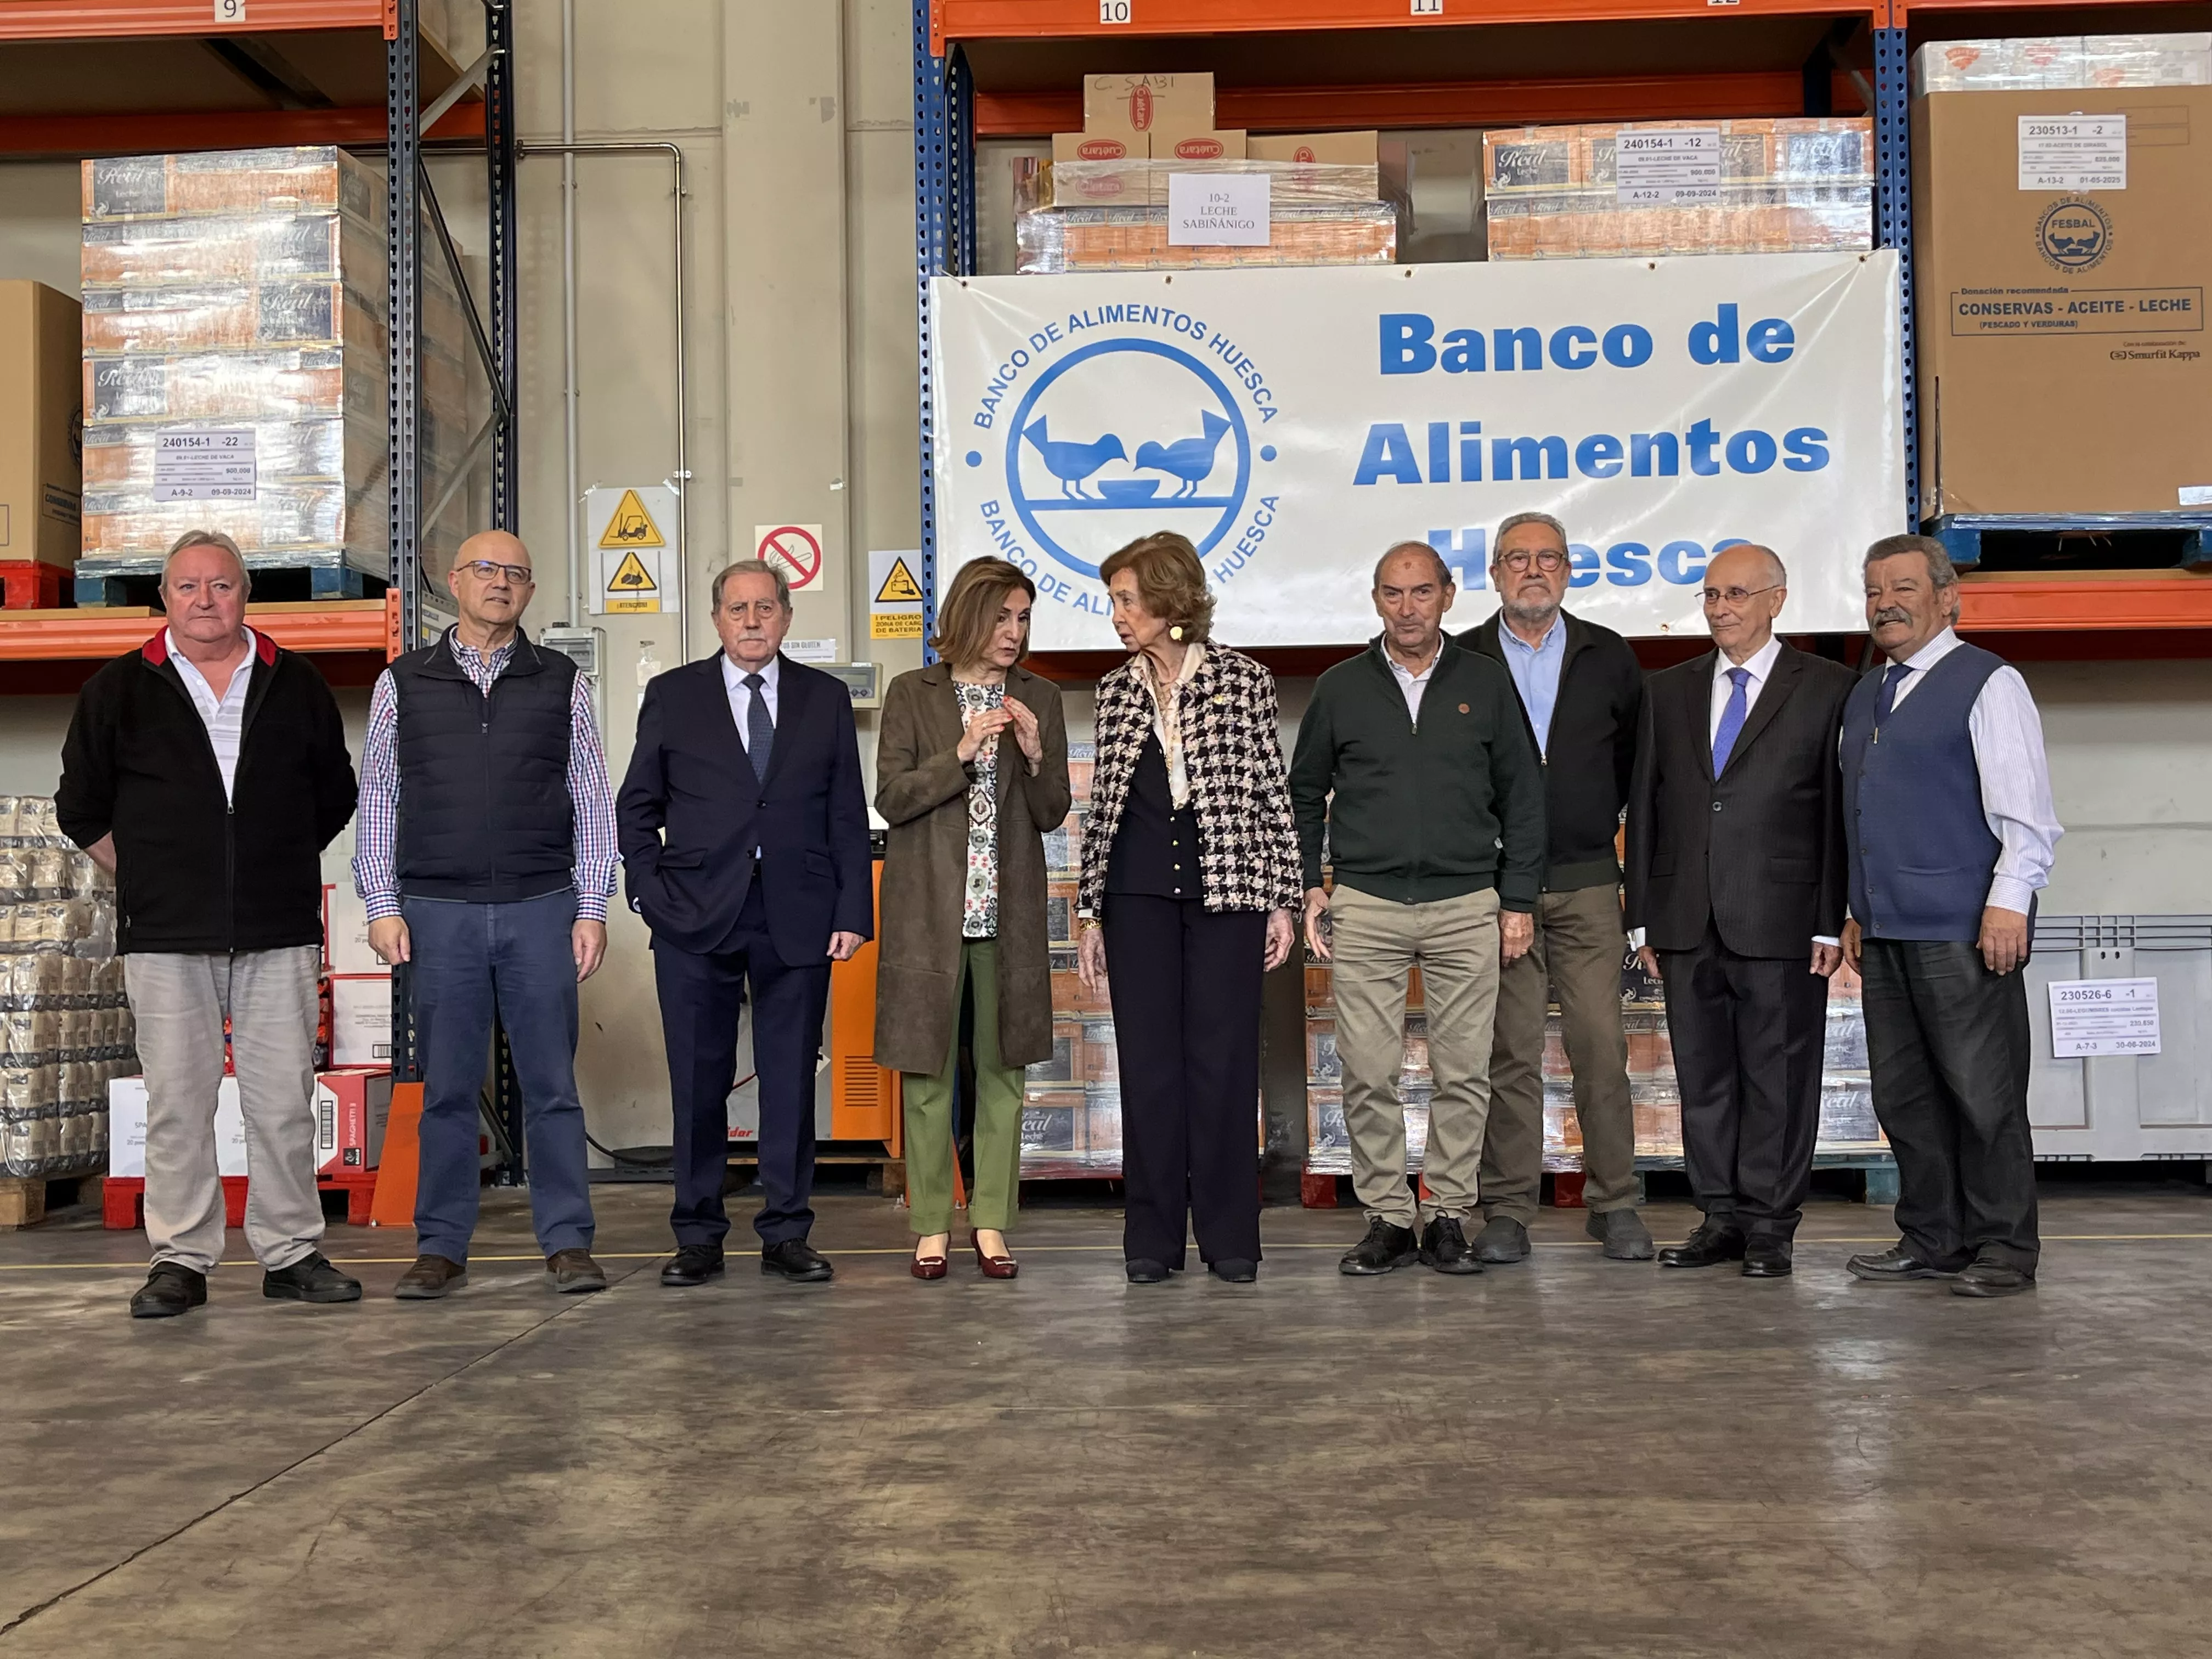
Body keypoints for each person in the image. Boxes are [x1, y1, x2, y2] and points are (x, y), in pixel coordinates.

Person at [57, 530, 359, 1318]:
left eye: (220, 586)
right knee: (179, 1102)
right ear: (164, 597)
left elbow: (335, 795)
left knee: (284, 1099)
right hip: (165, 936)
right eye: (187, 587)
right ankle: (181, 1259)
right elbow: (80, 808)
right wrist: (157, 877)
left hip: (277, 928)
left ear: (244, 594)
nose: (204, 601)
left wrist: (267, 863)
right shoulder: (117, 690)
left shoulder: (295, 684)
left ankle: (292, 1250)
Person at [354, 531, 617, 1300]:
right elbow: (380, 797)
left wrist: (591, 906)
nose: (501, 583)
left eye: (517, 575)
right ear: (457, 582)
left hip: (542, 908)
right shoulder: (404, 683)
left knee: (552, 1087)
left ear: (530, 593)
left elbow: (592, 801)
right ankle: (441, 1246)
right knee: (446, 1087)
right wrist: (381, 903)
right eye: (487, 570)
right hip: (439, 911)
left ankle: (568, 1242)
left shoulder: (561, 680)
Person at [1290, 541, 1544, 1278]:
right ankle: (1386, 1219)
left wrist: (1518, 900)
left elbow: (1524, 799)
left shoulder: (1486, 684)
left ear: (1449, 596)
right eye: (1394, 594)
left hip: (1467, 903)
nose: (1408, 608)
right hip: (1366, 903)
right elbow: (1305, 792)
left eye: (1422, 593)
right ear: (1375, 600)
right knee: (1368, 1072)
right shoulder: (1341, 688)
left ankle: (1445, 1218)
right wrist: (1312, 883)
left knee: (1464, 1073)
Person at [620, 558, 872, 1286]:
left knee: (790, 1078)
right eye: (738, 608)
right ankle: (697, 1234)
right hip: (695, 914)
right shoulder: (673, 696)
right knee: (698, 1078)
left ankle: (787, 1232)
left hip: (799, 913)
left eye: (766, 607)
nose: (753, 621)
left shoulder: (824, 699)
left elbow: (846, 814)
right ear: (717, 619)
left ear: (787, 617)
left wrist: (852, 909)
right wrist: (647, 892)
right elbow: (637, 808)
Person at [1625, 544, 1855, 1279]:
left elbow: (1837, 816)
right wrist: (1644, 918)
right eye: (1712, 594)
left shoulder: (1829, 689)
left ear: (1777, 601)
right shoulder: (1668, 692)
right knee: (1704, 1076)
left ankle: (1770, 1225)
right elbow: (1649, 807)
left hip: (1785, 922)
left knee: (1779, 1079)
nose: (1721, 608)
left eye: (1737, 594)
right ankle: (1719, 1214)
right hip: (1687, 921)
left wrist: (1830, 917)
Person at [1075, 532, 1299, 1284]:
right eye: (1114, 601)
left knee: (1225, 1065)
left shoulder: (1244, 681)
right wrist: (1089, 914)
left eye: (1127, 600)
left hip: (1229, 895)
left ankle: (1232, 1236)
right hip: (1136, 899)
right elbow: (1102, 810)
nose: (1117, 615)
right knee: (1149, 1070)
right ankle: (1152, 1241)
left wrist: (1283, 901)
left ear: (1172, 601)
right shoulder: (1114, 690)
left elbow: (1271, 794)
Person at [1842, 535, 2062, 1299]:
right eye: (1873, 592)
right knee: (1904, 1097)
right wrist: (1855, 910)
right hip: (1887, 928)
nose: (1885, 605)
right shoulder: (1869, 691)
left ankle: (2004, 1248)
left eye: (1902, 588)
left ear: (1947, 598)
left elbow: (2027, 813)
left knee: (1983, 1094)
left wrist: (2008, 904)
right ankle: (1932, 1238)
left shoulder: (1987, 682)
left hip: (1965, 928)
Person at [1462, 512, 1654, 1265]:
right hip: (1496, 889)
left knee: (1600, 1048)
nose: (1533, 570)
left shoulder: (1609, 655)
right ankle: (1507, 1209)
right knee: (1507, 1055)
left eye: (1548, 558)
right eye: (1517, 559)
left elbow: (1640, 773)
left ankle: (1617, 1202)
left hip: (1585, 882)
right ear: (1495, 574)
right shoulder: (1466, 656)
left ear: (1569, 571)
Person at [873, 558, 1070, 1280]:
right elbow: (891, 798)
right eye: (1002, 616)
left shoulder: (1038, 698)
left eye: (1023, 618)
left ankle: (991, 1222)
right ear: (969, 616)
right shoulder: (912, 694)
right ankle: (931, 1226)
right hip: (929, 914)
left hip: (1006, 913)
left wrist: (1038, 751)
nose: (1014, 632)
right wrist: (959, 754)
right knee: (926, 1072)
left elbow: (1051, 812)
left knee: (1004, 1070)